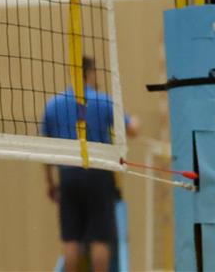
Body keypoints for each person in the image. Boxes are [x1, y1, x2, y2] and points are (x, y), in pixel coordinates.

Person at [41, 56, 140, 272]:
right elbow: (132, 129)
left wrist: (50, 183)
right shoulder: (103, 101)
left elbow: (45, 150)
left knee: (71, 240)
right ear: (90, 72)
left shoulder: (53, 105)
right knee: (99, 238)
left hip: (68, 174)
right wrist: (135, 120)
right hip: (98, 173)